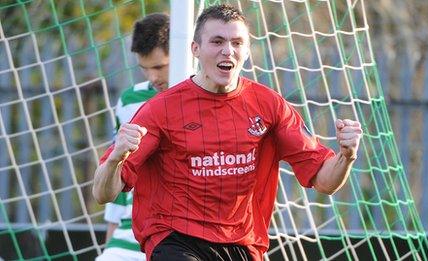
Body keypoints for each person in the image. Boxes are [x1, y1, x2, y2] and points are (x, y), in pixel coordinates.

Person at [93, 4, 363, 261]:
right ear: (195, 49)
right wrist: (116, 157)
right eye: (217, 41)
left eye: (236, 43)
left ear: (246, 50)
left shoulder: (270, 106)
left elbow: (325, 182)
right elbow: (103, 192)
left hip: (241, 243)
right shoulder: (159, 110)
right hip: (175, 238)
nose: (228, 51)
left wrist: (346, 156)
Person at [95, 13, 170, 261]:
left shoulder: (206, 96)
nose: (152, 78)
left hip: (180, 236)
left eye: (159, 67)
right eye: (144, 69)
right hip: (129, 235)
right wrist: (109, 246)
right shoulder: (130, 101)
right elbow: (119, 174)